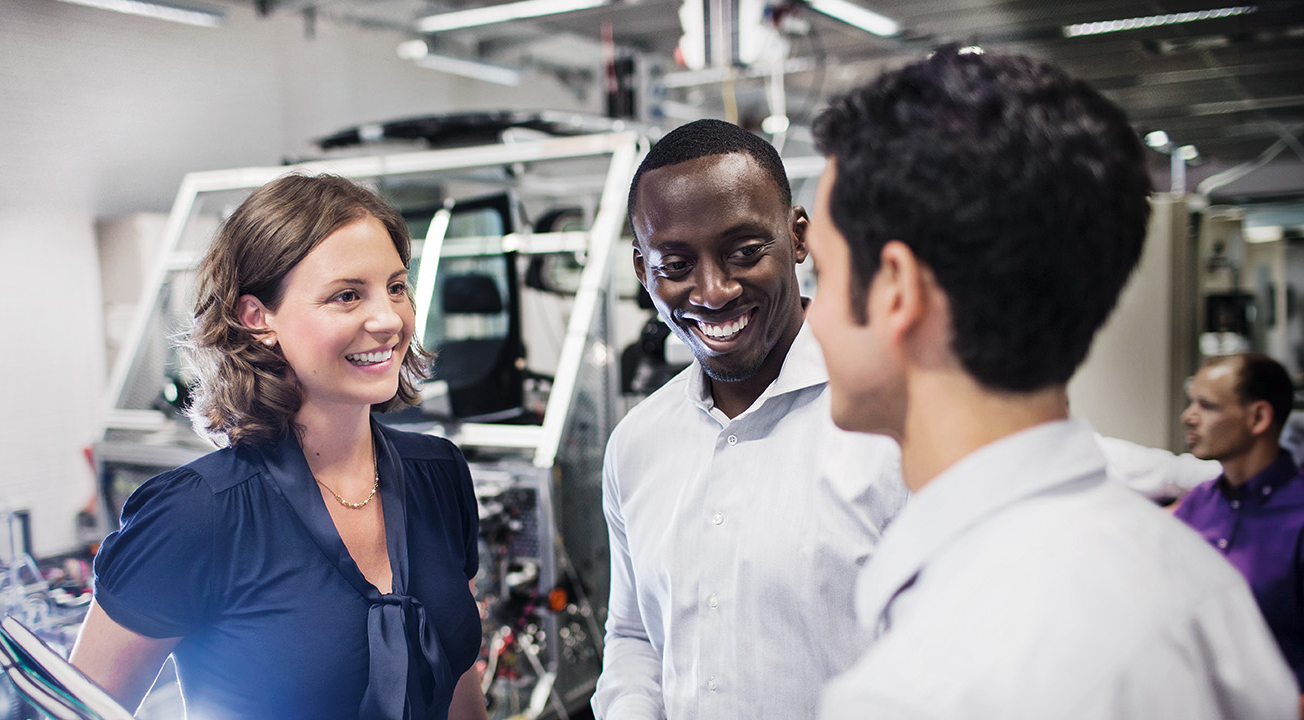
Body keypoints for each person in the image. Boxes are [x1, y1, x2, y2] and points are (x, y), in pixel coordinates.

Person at [806, 48, 1298, 718]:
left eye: (822, 275)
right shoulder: (1202, 585)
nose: (814, 317)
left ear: (896, 290)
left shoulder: (922, 689)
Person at [69, 174, 488, 720]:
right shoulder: (196, 513)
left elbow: (458, 685)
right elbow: (77, 711)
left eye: (395, 287)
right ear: (258, 319)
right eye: (347, 295)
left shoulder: (440, 474)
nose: (389, 319)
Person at [591, 118, 908, 720]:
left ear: (797, 237)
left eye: (744, 252)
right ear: (642, 270)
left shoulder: (897, 421)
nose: (712, 292)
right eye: (675, 265)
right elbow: (635, 634)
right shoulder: (637, 444)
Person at [1176, 353, 1304, 720]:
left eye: (1206, 405)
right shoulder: (1197, 506)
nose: (1188, 416)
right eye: (1191, 401)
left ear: (1259, 417)